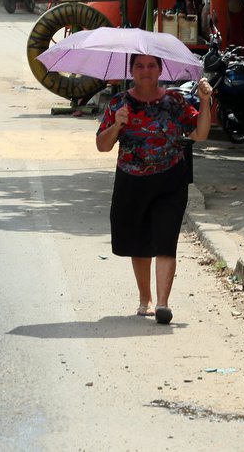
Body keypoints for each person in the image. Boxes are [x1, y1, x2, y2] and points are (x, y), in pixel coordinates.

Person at [96, 54, 213, 325]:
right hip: (131, 180)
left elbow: (200, 133)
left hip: (170, 179)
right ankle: (145, 298)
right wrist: (117, 125)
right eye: (139, 65)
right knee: (139, 239)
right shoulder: (119, 103)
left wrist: (205, 101)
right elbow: (102, 145)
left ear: (160, 69)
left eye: (151, 65)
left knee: (165, 238)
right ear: (131, 70)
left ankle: (162, 303)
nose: (145, 71)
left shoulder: (175, 102)